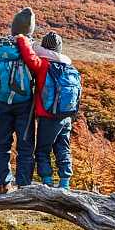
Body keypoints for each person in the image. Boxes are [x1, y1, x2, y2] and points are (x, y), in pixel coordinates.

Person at [15, 31, 74, 189]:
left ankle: (47, 183)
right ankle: (65, 184)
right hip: (66, 116)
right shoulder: (69, 67)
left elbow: (28, 56)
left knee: (42, 150)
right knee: (63, 148)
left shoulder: (43, 65)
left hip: (49, 116)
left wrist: (21, 38)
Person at [0, 7, 37, 193]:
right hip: (25, 103)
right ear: (29, 30)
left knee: (2, 144)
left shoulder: (1, 46)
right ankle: (24, 188)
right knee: (25, 146)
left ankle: (3, 183)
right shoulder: (29, 46)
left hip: (2, 102)